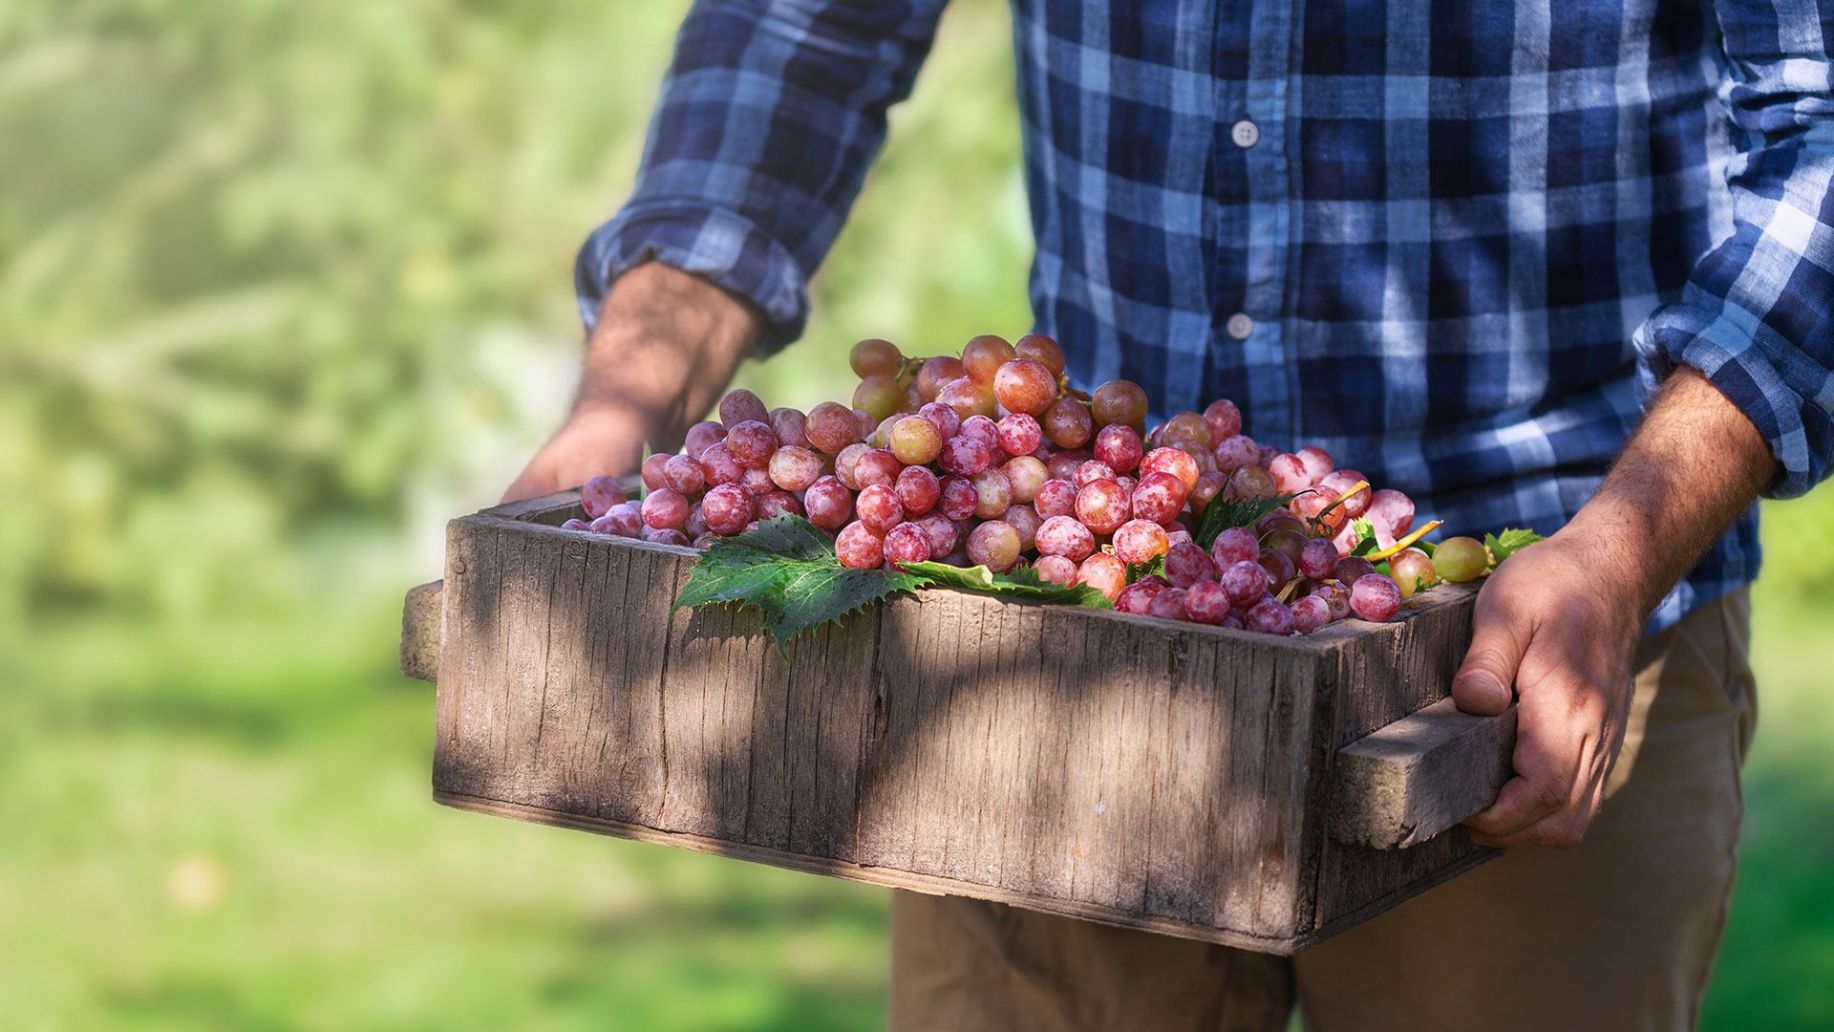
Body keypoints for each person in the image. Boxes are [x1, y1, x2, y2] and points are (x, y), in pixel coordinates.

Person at [506, 2, 1833, 1028]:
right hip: (1065, 654)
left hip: (1528, 651)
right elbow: (802, 27)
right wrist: (631, 390)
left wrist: (1626, 535)